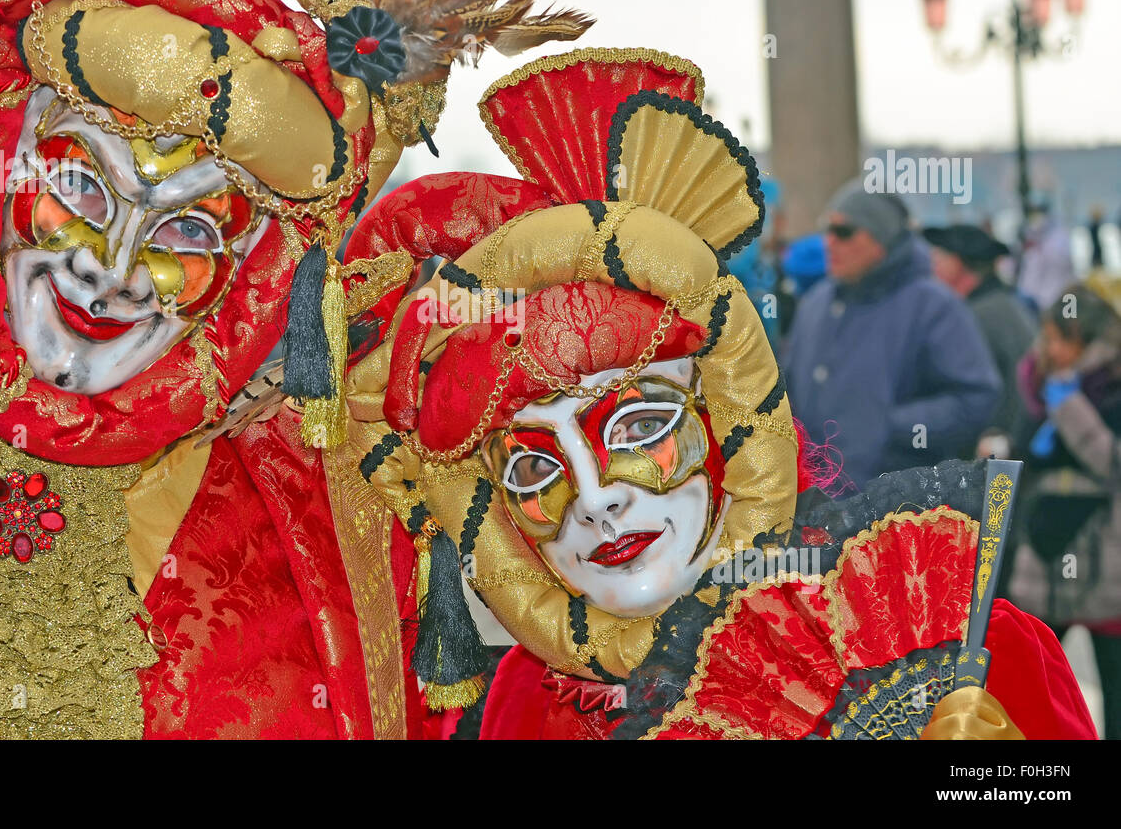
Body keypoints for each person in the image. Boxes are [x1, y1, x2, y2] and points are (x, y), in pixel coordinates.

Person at [0, 0, 588, 739]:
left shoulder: (332, 475)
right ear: (1, 155)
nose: (112, 273)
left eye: (185, 233)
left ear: (255, 268)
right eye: (80, 186)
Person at [339, 49, 1094, 740]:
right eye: (535, 470)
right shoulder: (526, 702)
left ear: (728, 415)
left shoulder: (966, 646)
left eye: (635, 428)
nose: (595, 500)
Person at [783, 183, 1001, 490]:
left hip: (896, 509)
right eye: (827, 230)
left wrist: (890, 426)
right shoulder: (816, 304)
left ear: (881, 239)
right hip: (812, 507)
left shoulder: (934, 306)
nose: (829, 242)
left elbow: (976, 397)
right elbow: (787, 392)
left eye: (844, 232)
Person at [1008, 278, 1121, 739]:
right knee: (1033, 675)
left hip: (1103, 553)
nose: (1051, 348)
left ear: (1088, 339)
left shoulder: (1110, 387)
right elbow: (1022, 453)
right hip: (1044, 553)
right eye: (1048, 337)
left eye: (1061, 339)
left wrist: (1070, 407)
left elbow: (1111, 461)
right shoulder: (1039, 382)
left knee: (1113, 683)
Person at [924, 223, 1037, 454]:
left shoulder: (977, 317)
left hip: (995, 454)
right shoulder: (1002, 305)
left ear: (957, 264)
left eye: (938, 257)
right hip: (1009, 450)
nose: (931, 266)